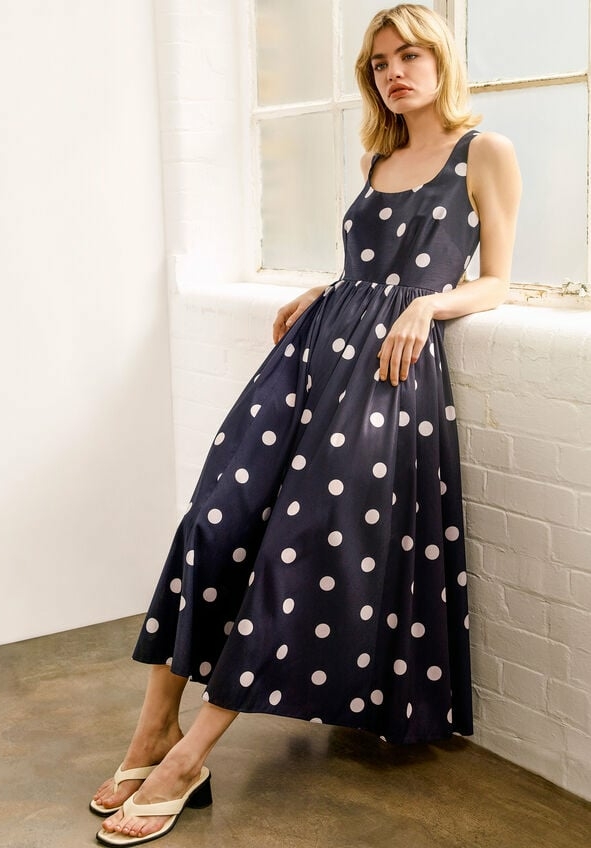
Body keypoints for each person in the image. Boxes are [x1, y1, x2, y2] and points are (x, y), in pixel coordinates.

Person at [92, 4, 521, 845]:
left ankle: (188, 758)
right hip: (312, 358)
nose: (393, 72)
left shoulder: (483, 152)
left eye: (408, 56)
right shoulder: (375, 158)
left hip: (387, 379)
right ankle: (152, 729)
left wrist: (428, 306)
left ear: (441, 60)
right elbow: (367, 265)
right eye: (378, 63)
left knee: (301, 542)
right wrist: (326, 291)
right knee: (212, 522)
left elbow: (498, 280)